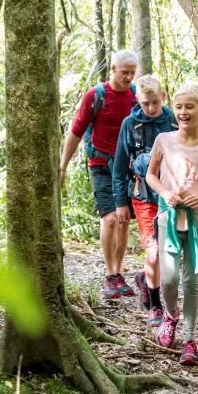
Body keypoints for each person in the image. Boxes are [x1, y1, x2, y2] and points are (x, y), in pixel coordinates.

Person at [146, 84, 198, 366]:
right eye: (178, 107)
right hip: (168, 218)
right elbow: (150, 176)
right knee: (169, 279)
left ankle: (189, 340)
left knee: (192, 280)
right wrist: (164, 193)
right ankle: (170, 316)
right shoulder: (163, 140)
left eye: (189, 107)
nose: (183, 112)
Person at [60, 50, 138, 299]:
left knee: (124, 220)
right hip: (101, 165)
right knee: (111, 219)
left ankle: (118, 272)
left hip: (127, 167)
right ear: (113, 69)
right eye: (124, 72)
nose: (128, 77)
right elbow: (75, 132)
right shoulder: (95, 96)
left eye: (132, 73)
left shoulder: (136, 96)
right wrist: (62, 167)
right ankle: (109, 274)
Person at [112, 75, 177, 327]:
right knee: (153, 250)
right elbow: (119, 167)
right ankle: (155, 306)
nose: (150, 108)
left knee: (169, 252)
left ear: (163, 96)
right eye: (145, 103)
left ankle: (145, 280)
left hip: (171, 196)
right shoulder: (130, 124)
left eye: (155, 102)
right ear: (137, 100)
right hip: (142, 197)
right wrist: (120, 202)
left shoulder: (173, 120)